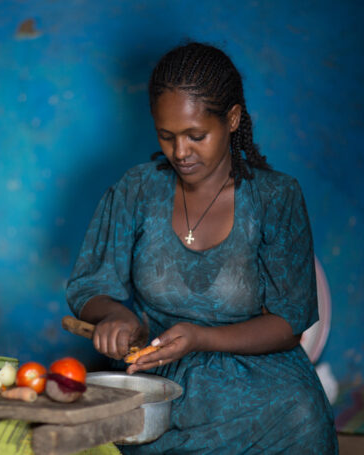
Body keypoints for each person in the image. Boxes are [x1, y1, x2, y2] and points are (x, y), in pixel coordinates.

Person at [66, 42, 338, 454]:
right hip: (160, 376)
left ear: (231, 119)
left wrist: (201, 338)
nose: (179, 152)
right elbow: (90, 286)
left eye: (196, 136)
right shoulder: (137, 189)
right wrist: (115, 315)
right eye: (166, 135)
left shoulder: (276, 198)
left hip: (262, 389)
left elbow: (289, 324)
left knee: (298, 409)